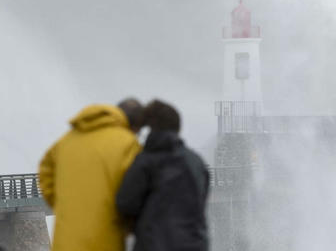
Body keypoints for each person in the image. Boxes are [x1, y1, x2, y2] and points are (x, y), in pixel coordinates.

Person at [39, 99, 144, 251]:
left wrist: (62, 204)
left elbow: (45, 172)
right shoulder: (128, 143)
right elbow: (134, 193)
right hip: (105, 240)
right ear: (133, 125)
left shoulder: (65, 141)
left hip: (65, 243)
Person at [116, 99, 210, 251]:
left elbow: (126, 203)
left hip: (154, 244)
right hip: (195, 244)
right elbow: (202, 200)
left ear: (150, 129)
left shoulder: (146, 161)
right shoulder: (196, 162)